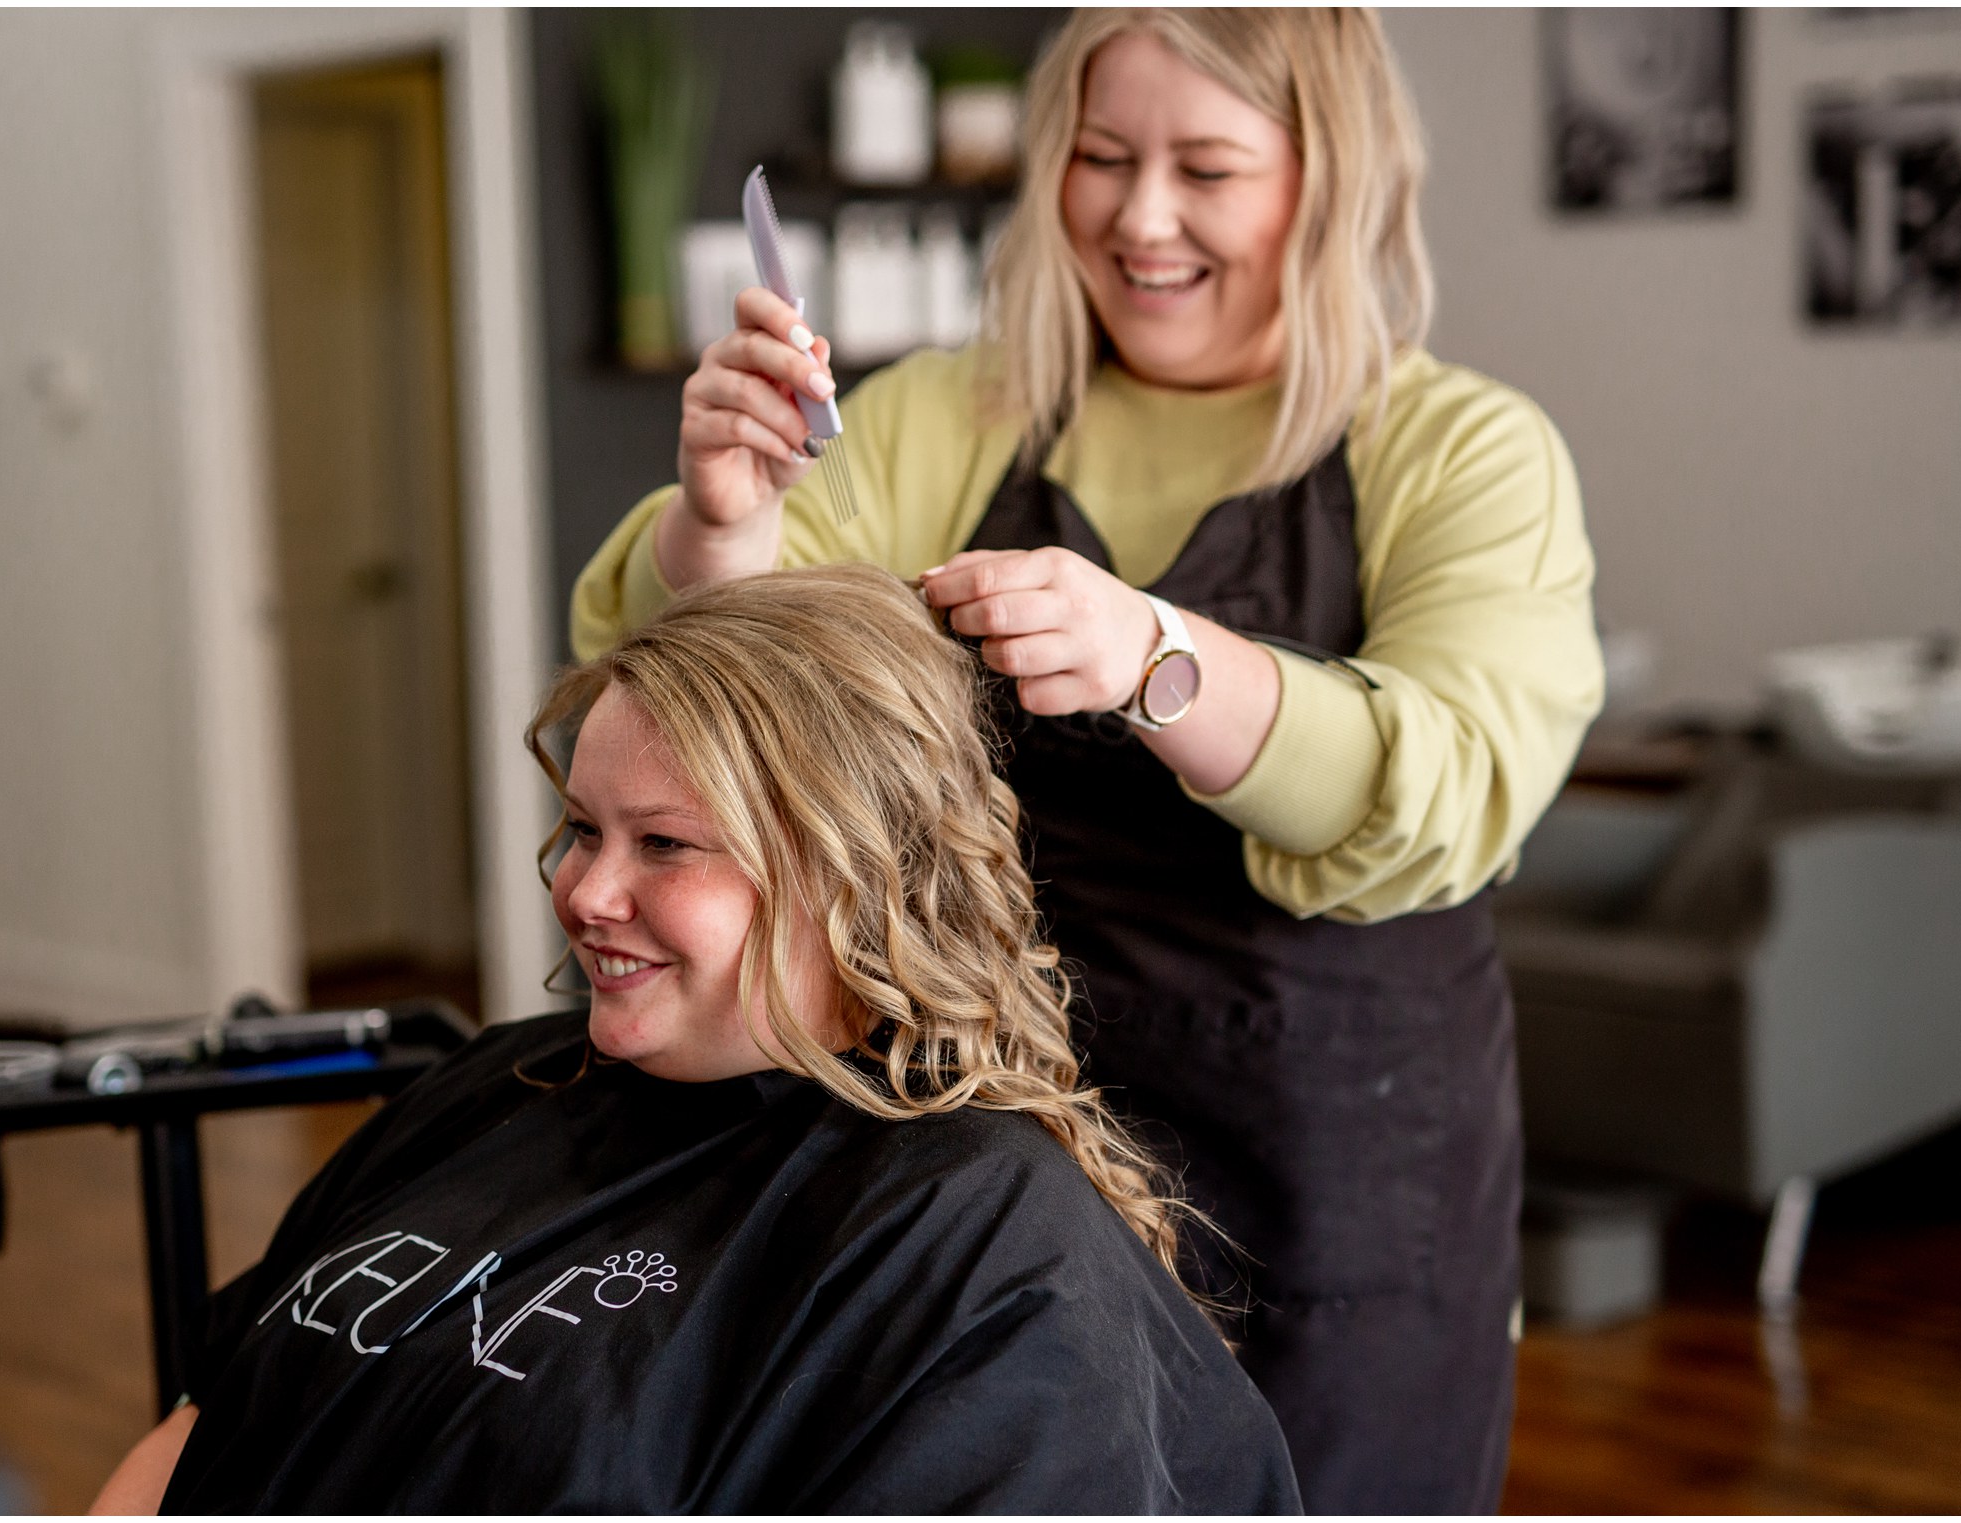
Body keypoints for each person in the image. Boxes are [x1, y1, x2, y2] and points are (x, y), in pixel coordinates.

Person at [570, 9, 1604, 1514]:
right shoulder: (944, 414)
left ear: (1332, 181)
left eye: (1208, 166)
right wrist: (723, 528)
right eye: (1103, 158)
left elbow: (1446, 788)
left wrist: (1156, 661)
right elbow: (731, 713)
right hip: (990, 1157)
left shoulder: (1461, 451)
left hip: (1335, 1183)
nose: (1141, 215)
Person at [91, 564, 1300, 1515]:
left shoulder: (982, 1254)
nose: (583, 890)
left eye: (663, 844)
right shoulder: (487, 1085)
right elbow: (204, 1425)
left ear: (853, 874)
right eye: (580, 828)